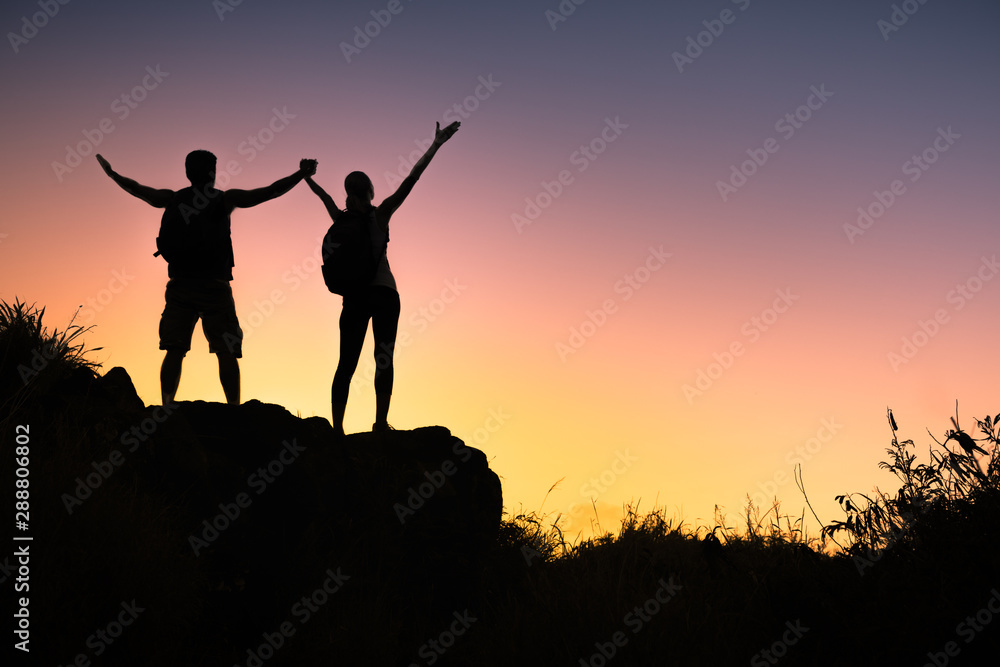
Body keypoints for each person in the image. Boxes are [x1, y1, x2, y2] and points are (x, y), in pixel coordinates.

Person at [96, 151, 317, 405]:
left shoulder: (172, 198)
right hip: (215, 287)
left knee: (174, 349)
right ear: (213, 172)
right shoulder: (225, 199)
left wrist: (113, 174)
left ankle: (167, 406)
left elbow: (137, 189)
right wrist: (301, 174)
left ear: (188, 173)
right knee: (226, 351)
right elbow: (271, 191)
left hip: (181, 285)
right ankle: (234, 410)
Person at [305, 121, 460, 435]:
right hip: (385, 294)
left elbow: (322, 197)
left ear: (349, 192)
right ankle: (379, 424)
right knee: (383, 358)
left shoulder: (342, 217)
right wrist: (436, 144)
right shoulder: (382, 213)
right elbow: (411, 179)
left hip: (355, 296)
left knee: (345, 362)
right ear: (369, 191)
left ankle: (337, 429)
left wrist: (306, 178)